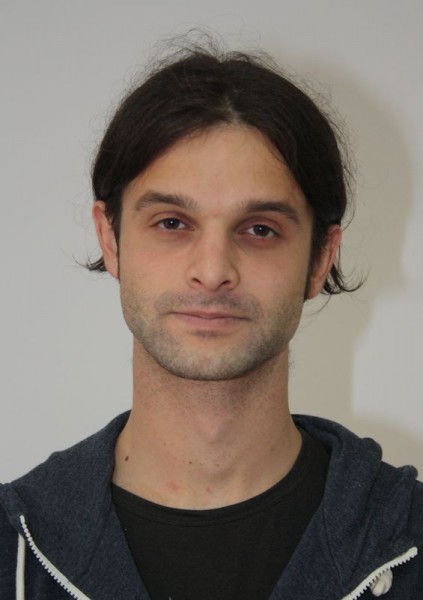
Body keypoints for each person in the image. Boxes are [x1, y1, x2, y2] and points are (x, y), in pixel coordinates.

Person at [1, 42, 422, 600]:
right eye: (172, 223)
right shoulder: (11, 551)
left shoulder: (409, 537)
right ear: (111, 238)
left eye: (260, 229)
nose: (213, 270)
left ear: (321, 258)